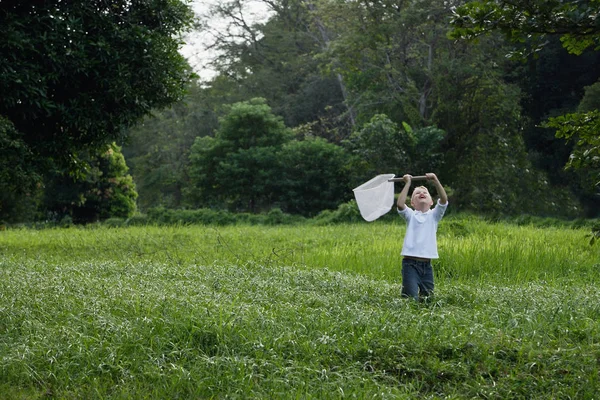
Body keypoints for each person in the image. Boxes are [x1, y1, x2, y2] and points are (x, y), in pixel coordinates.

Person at [396, 173, 448, 301]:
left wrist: (436, 180)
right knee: (410, 298)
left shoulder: (434, 215)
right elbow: (400, 204)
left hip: (427, 266)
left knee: (428, 299)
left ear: (431, 201)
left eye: (424, 192)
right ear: (412, 203)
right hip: (410, 265)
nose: (421, 193)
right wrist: (407, 183)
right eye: (417, 193)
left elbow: (444, 200)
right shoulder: (410, 215)